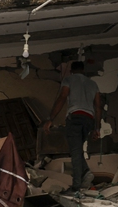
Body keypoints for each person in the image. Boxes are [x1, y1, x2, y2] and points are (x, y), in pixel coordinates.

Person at [42, 61, 104, 191]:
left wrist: (50, 119)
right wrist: (97, 128)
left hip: (75, 117)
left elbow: (62, 97)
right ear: (83, 70)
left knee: (75, 151)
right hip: (89, 119)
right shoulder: (93, 84)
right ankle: (87, 173)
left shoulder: (68, 79)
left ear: (71, 70)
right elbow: (98, 107)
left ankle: (76, 186)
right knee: (77, 150)